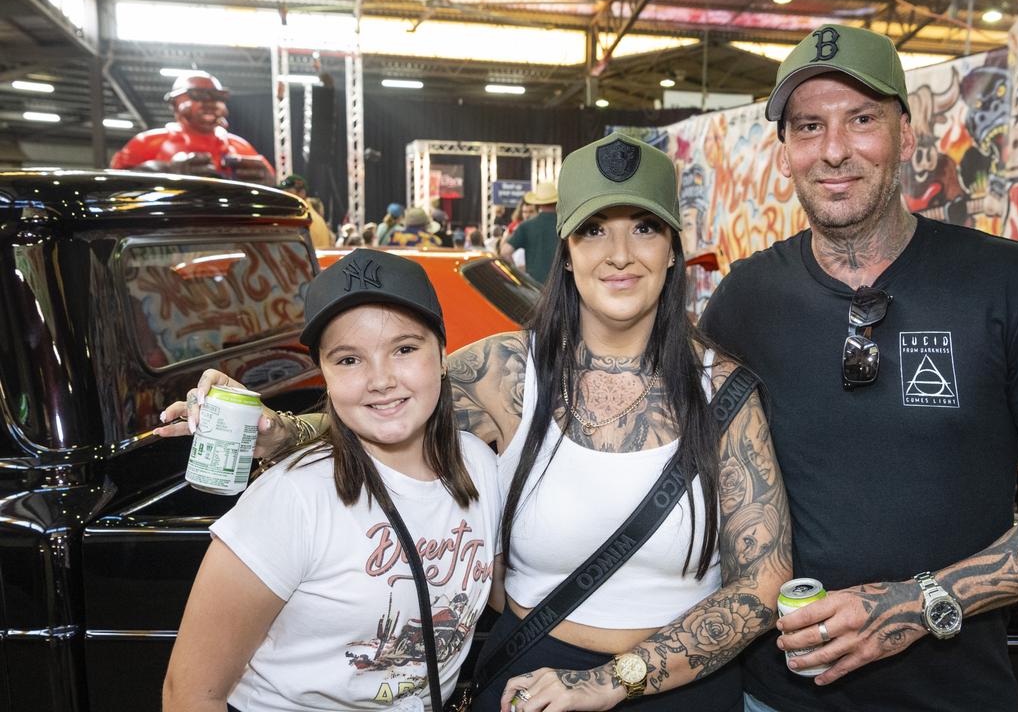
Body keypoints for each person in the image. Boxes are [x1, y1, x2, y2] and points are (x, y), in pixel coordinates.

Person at [169, 133, 793, 711]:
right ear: (567, 253)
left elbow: (764, 584)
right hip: (530, 681)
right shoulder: (506, 371)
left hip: (682, 688)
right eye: (594, 230)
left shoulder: (723, 390)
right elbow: (387, 404)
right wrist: (279, 429)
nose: (620, 254)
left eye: (645, 228)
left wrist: (611, 681)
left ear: (672, 249)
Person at [697, 24, 1018, 711]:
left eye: (862, 120)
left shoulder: (1008, 282)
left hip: (957, 695)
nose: (834, 150)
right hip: (776, 699)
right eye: (808, 126)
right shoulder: (746, 299)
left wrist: (918, 603)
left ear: (906, 133)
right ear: (784, 151)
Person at [160, 249, 503, 711]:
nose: (380, 380)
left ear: (442, 355)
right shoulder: (291, 497)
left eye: (404, 349)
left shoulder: (478, 465)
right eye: (348, 360)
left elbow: (510, 592)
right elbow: (190, 694)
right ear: (324, 373)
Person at [111, 71, 274, 184]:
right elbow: (112, 190)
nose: (210, 103)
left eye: (218, 96)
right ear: (175, 103)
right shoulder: (147, 143)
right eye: (198, 95)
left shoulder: (239, 147)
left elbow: (275, 187)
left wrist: (270, 183)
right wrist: (161, 173)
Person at [501, 182, 559, 283]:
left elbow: (505, 252)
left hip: (535, 288)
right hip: (563, 287)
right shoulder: (566, 225)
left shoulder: (526, 226)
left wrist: (519, 275)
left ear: (538, 204)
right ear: (557, 201)